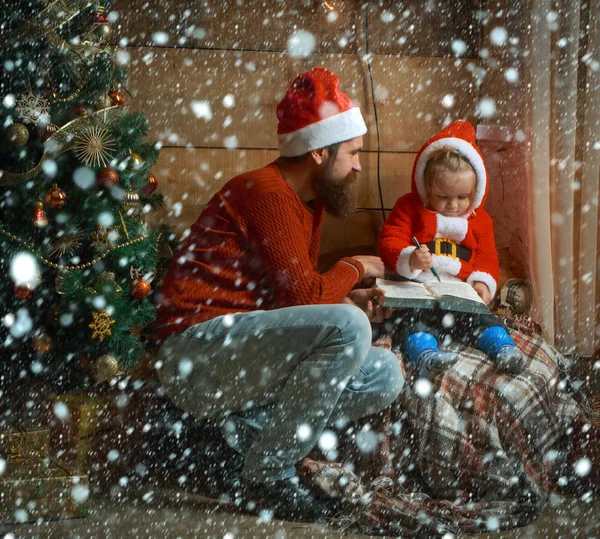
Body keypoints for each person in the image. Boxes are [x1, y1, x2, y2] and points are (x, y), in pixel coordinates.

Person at [153, 67, 404, 520]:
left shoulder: (306, 201)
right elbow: (303, 295)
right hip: (195, 356)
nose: (360, 165)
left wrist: (347, 299)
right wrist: (354, 268)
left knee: (386, 372)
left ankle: (240, 436)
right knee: (350, 328)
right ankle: (268, 473)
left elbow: (292, 297)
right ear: (320, 152)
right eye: (353, 153)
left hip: (239, 355)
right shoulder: (268, 193)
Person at [378, 120, 523, 379]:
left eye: (462, 197)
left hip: (458, 294)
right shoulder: (409, 207)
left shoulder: (480, 221)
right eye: (444, 197)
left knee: (484, 320)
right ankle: (427, 357)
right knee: (411, 323)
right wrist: (409, 258)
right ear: (426, 190)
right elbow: (390, 239)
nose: (453, 206)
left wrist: (482, 286)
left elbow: (487, 259)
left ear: (475, 192)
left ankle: (504, 349)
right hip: (418, 293)